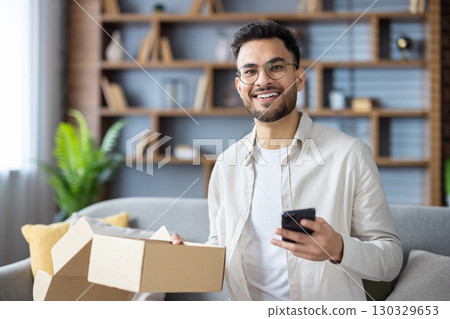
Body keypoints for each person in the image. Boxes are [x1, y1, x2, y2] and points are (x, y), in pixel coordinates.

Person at [172, 21, 402, 301]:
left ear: (300, 78)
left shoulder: (349, 154)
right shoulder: (225, 164)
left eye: (276, 67)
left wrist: (340, 248)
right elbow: (221, 247)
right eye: (250, 71)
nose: (262, 80)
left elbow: (390, 260)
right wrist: (186, 256)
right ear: (239, 86)